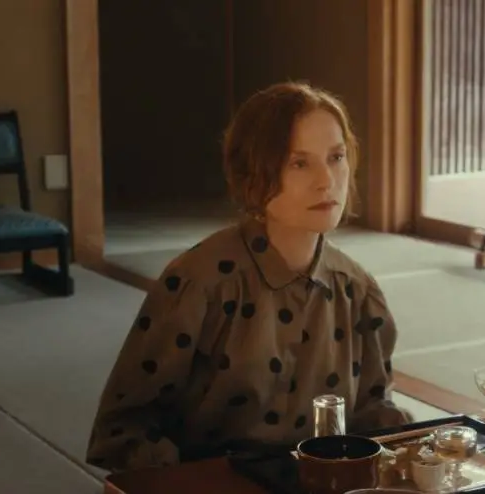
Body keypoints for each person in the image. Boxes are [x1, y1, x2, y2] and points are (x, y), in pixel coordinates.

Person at [86, 81, 413, 472]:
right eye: (299, 163)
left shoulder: (356, 289)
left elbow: (372, 413)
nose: (327, 180)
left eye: (336, 157)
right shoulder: (202, 282)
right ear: (253, 172)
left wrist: (421, 450)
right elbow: (123, 430)